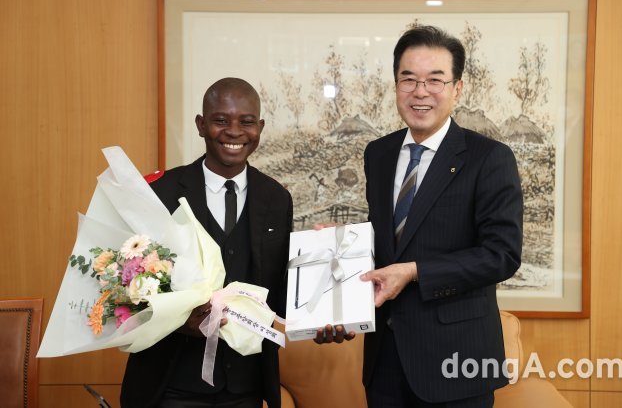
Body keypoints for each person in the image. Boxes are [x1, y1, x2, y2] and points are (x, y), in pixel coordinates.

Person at [317, 25, 524, 407]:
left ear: (457, 89)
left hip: (456, 361)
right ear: (396, 85)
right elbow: (393, 237)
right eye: (408, 79)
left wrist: (414, 272)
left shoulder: (489, 158)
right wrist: (342, 243)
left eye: (435, 80)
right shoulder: (378, 154)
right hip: (385, 361)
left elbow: (502, 255)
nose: (420, 91)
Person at [120, 77, 293, 408]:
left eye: (246, 122)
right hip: (170, 385)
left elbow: (280, 291)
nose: (234, 131)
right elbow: (127, 290)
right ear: (201, 125)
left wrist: (325, 311)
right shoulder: (160, 192)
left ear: (260, 127)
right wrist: (179, 321)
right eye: (220, 120)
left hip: (246, 386)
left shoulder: (277, 198)